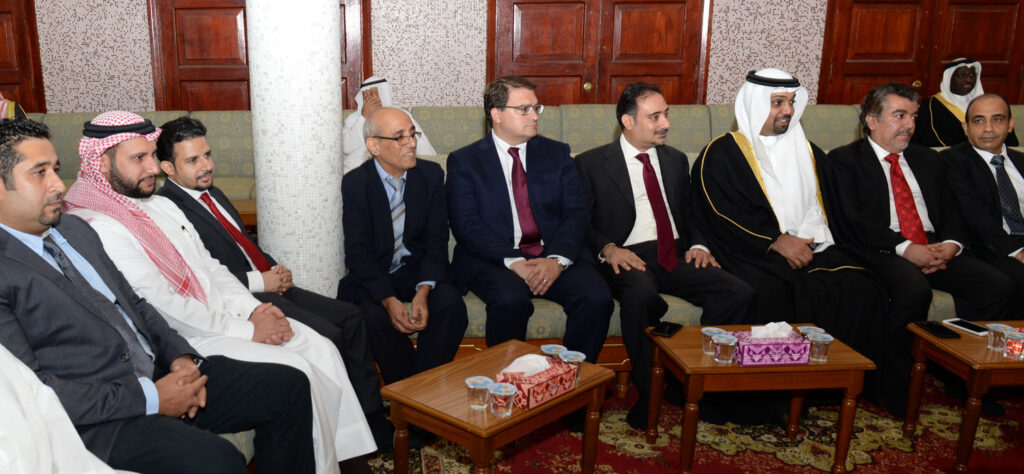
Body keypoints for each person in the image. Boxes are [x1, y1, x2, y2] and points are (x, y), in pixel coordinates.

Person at [62, 111, 374, 473]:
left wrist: (253, 310)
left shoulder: (160, 205)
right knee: (298, 368)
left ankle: (347, 461)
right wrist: (249, 329)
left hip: (226, 314)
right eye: (139, 158)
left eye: (152, 156)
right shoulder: (96, 226)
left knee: (320, 346)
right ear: (101, 163)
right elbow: (162, 308)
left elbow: (211, 268)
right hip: (189, 338)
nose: (153, 168)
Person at [0, 117, 315, 474]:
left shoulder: (73, 230)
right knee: (218, 461)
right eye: (39, 173)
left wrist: (180, 357)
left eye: (56, 169)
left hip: (159, 372)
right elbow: (34, 389)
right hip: (103, 419)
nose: (59, 184)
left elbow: (135, 304)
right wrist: (152, 398)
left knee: (288, 385)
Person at [154, 116, 396, 449]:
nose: (206, 166)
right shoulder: (168, 210)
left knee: (351, 317)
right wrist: (261, 280)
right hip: (244, 298)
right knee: (328, 334)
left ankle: (372, 422)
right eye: (193, 160)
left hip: (267, 282)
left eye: (207, 155)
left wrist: (274, 267)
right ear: (168, 167)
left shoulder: (212, 192)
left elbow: (240, 242)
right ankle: (336, 436)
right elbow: (202, 278)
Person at [691, 68, 887, 398]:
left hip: (813, 247)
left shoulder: (808, 151)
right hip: (753, 250)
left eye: (792, 102)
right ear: (755, 105)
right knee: (776, 292)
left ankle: (833, 389)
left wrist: (814, 238)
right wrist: (777, 242)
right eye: (778, 103)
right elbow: (720, 213)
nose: (787, 110)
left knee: (861, 286)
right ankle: (769, 396)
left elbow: (832, 208)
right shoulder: (722, 153)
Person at [574, 82, 755, 430]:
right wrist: (608, 248)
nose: (666, 123)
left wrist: (700, 246)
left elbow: (690, 213)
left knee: (738, 292)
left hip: (674, 252)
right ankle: (650, 392)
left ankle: (702, 388)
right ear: (628, 121)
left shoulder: (675, 160)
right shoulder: (591, 163)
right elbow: (580, 222)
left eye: (666, 114)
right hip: (627, 255)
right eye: (654, 116)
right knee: (641, 295)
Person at [829, 83, 1012, 416]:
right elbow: (852, 221)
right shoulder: (845, 160)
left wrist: (952, 246)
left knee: (995, 285)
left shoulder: (927, 158)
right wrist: (906, 248)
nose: (910, 125)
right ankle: (892, 387)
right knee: (913, 291)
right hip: (884, 249)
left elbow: (953, 212)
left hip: (934, 245)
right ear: (872, 120)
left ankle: (963, 378)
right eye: (899, 116)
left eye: (913, 116)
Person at [446, 76, 613, 364]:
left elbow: (577, 213)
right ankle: (509, 383)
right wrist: (514, 261)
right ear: (496, 114)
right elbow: (467, 224)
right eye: (524, 109)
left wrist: (556, 260)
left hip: (551, 253)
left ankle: (571, 380)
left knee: (596, 297)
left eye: (536, 108)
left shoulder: (557, 153)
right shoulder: (465, 161)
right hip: (495, 258)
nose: (534, 116)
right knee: (511, 301)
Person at [339, 107, 467, 385]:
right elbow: (358, 253)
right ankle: (409, 390)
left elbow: (436, 240)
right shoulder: (356, 184)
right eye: (400, 138)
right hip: (376, 273)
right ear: (374, 146)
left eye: (412, 134)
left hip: (416, 270)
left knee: (451, 304)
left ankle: (421, 389)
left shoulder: (431, 175)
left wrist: (423, 290)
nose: (411, 143)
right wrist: (388, 299)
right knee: (369, 316)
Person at [942, 93, 1024, 322]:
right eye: (979, 120)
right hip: (988, 248)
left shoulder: (1021, 161)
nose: (988, 128)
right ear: (966, 127)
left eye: (997, 119)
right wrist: (1018, 252)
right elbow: (974, 215)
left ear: (1010, 125)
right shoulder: (953, 161)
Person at [912, 58, 1018, 147]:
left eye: (971, 75)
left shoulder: (989, 103)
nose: (968, 80)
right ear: (949, 78)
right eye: (961, 75)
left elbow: (1008, 139)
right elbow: (931, 139)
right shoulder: (932, 105)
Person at [342, 77, 436, 174]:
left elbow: (420, 143)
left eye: (376, 93)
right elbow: (346, 147)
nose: (372, 99)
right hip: (358, 171)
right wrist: (364, 117)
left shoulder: (401, 115)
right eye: (367, 94)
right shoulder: (354, 118)